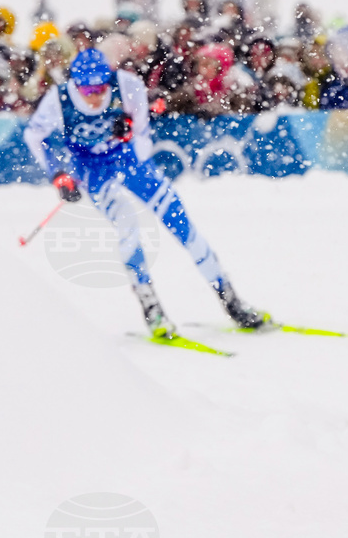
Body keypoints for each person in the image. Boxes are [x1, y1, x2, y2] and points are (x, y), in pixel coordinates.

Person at [22, 49, 268, 336]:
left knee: (180, 223)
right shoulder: (58, 99)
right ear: (75, 84)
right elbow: (33, 136)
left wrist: (127, 134)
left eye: (101, 86)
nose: (96, 95)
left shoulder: (126, 85)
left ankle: (231, 300)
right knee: (127, 224)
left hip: (131, 162)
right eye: (87, 88)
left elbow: (142, 136)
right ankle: (152, 309)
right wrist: (58, 174)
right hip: (94, 172)